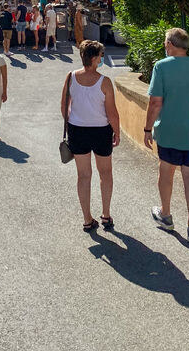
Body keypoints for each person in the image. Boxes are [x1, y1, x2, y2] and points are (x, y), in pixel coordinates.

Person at [144, 27, 189, 243]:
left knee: (166, 172)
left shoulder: (161, 67)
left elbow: (155, 102)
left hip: (169, 131)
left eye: (166, 43)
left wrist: (147, 129)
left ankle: (166, 215)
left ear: (170, 44)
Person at [61, 40, 120, 232]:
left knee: (83, 176)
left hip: (77, 130)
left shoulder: (70, 77)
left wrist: (73, 121)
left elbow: (64, 106)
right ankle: (106, 214)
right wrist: (117, 132)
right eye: (101, 56)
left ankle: (87, 219)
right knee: (105, 173)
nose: (102, 59)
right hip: (101, 131)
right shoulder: (105, 82)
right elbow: (112, 112)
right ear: (94, 59)